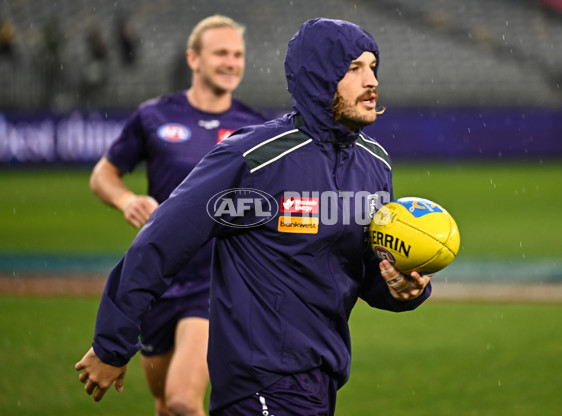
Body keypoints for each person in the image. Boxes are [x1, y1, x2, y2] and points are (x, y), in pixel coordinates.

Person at [76, 17, 433, 415]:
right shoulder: (252, 157)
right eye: (354, 68)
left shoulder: (374, 164)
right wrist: (113, 342)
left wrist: (403, 289)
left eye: (372, 66)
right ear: (318, 75)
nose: (371, 81)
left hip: (323, 375)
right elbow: (160, 243)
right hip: (260, 378)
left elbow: (365, 269)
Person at [84, 15, 265, 416]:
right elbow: (103, 174)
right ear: (193, 59)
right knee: (165, 404)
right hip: (157, 282)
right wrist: (126, 200)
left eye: (238, 54)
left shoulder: (255, 128)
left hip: (213, 282)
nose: (232, 62)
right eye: (221, 52)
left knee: (185, 400)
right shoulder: (154, 116)